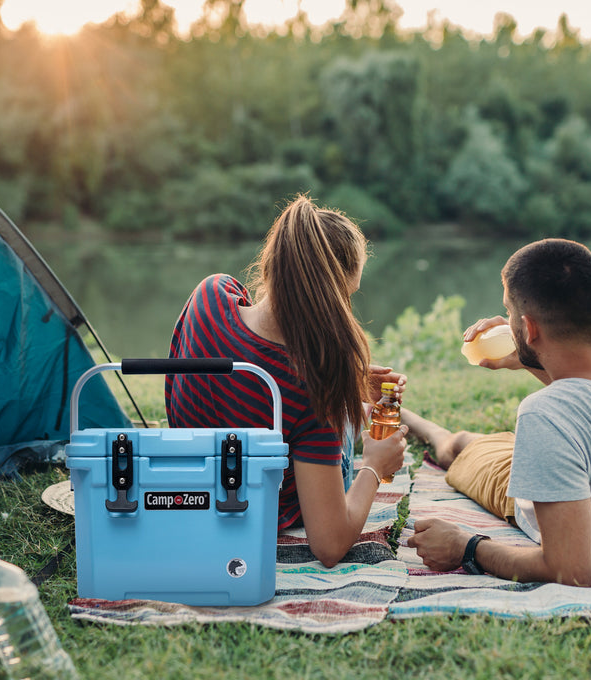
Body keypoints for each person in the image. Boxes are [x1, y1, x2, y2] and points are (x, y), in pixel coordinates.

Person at [165, 195, 409, 567]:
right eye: (347, 295)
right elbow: (329, 545)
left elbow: (253, 362)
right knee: (345, 426)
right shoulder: (314, 384)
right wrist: (374, 466)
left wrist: (351, 384)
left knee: (331, 412)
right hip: (257, 508)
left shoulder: (210, 295)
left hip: (193, 486)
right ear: (330, 296)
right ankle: (359, 421)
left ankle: (356, 410)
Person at [404, 238, 591, 587]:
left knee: (458, 447)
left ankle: (409, 419)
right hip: (574, 453)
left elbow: (571, 570)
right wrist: (529, 354)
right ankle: (407, 417)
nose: (506, 321)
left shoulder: (544, 416)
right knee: (469, 442)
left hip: (536, 495)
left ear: (528, 328)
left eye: (509, 313)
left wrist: (466, 547)